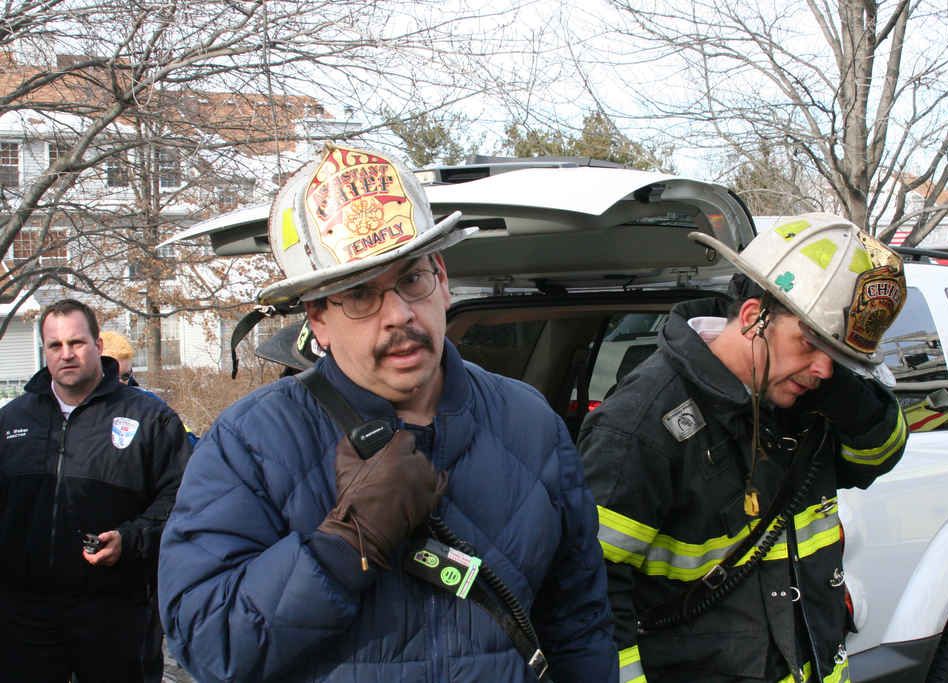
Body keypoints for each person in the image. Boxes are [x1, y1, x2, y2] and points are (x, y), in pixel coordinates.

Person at [159, 145, 616, 683]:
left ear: (442, 280)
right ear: (319, 320)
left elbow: (578, 624)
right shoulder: (251, 442)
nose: (398, 313)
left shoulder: (530, 424)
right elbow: (208, 641)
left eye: (411, 279)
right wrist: (343, 546)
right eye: (359, 295)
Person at [579, 213, 910, 683]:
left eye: (837, 356)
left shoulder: (809, 396)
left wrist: (847, 395)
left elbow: (880, 455)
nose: (824, 369)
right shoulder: (641, 424)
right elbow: (589, 597)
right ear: (755, 317)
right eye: (810, 344)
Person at [0, 299, 192, 683]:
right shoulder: (12, 420)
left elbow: (184, 500)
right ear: (44, 351)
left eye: (77, 342)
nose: (66, 354)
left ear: (98, 346)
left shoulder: (149, 417)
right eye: (55, 346)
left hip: (113, 607)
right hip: (22, 611)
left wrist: (132, 539)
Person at [99, 329, 196, 683]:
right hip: (88, 571)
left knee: (142, 658)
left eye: (127, 374)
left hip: (141, 563)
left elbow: (184, 475)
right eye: (115, 373)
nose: (122, 382)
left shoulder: (151, 410)